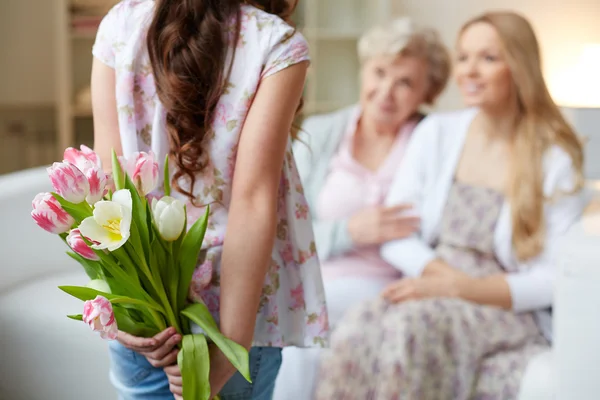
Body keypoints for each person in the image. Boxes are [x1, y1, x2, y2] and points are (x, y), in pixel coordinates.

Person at [314, 11, 590, 400]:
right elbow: (399, 236)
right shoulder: (438, 133)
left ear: (519, 67)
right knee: (360, 324)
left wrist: (465, 288)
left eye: (488, 58)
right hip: (434, 281)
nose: (470, 71)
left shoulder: (554, 157)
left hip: (502, 305)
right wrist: (442, 279)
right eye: (464, 57)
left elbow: (552, 277)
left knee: (411, 329)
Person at [90, 0, 327, 399]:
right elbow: (252, 203)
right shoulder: (275, 43)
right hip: (235, 312)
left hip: (144, 304)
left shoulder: (119, 26)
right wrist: (230, 347)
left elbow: (108, 188)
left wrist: (126, 308)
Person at [273, 18, 451, 400]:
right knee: (296, 340)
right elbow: (284, 232)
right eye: (380, 72)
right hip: (316, 280)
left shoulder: (434, 144)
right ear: (364, 69)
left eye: (405, 82)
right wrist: (349, 231)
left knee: (301, 337)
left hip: (390, 285)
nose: (386, 91)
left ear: (427, 92)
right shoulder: (320, 133)